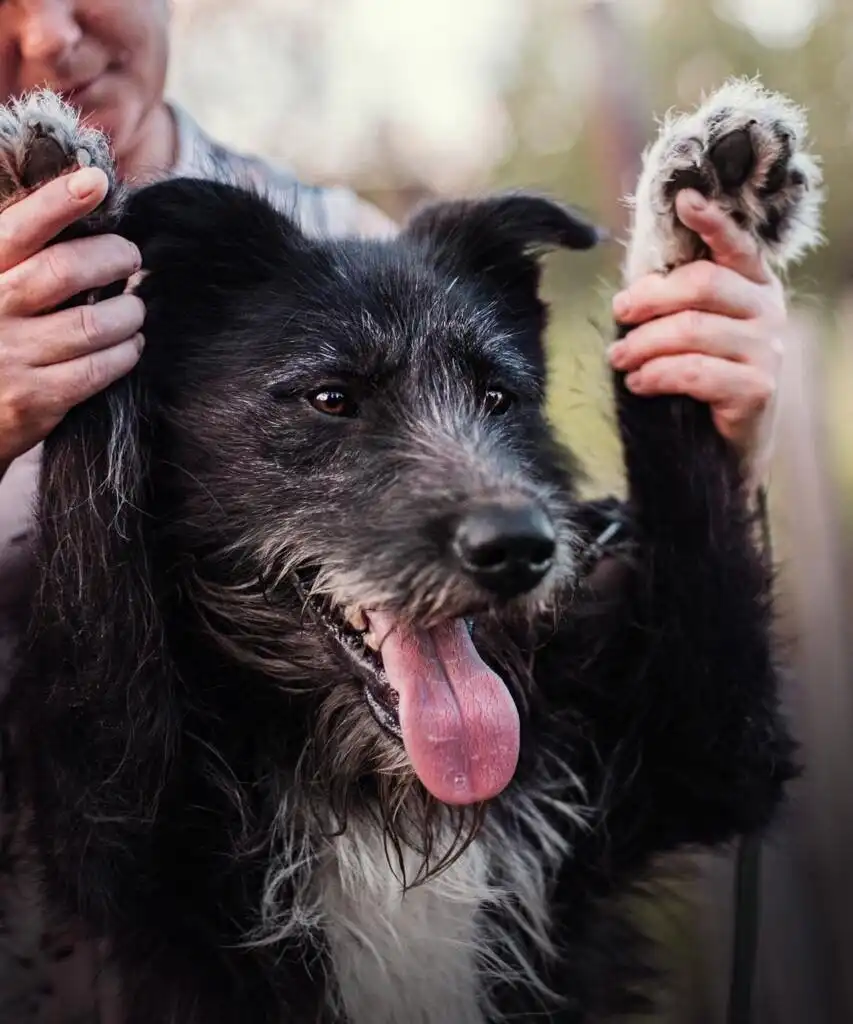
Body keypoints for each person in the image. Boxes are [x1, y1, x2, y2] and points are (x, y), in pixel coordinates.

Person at [0, 1, 788, 1020]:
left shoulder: (361, 249)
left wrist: (698, 415)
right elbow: (104, 742)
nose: (48, 36)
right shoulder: (153, 767)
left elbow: (717, 766)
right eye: (333, 401)